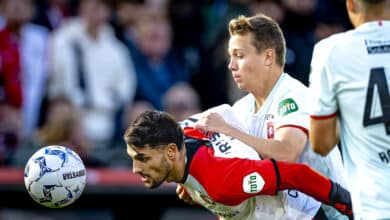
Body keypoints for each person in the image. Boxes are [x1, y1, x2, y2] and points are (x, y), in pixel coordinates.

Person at [191, 13, 348, 219]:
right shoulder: (241, 108)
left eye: (239, 55)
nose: (231, 65)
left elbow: (286, 153)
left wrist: (228, 130)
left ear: (268, 57)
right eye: (230, 56)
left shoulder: (292, 95)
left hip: (330, 214)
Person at [124, 110, 352, 220]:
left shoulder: (221, 182)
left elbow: (297, 174)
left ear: (172, 151)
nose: (135, 169)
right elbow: (224, 111)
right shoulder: (181, 130)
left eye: (143, 158)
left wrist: (348, 204)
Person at [308, 0, 390, 219]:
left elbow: (321, 143)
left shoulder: (330, 51)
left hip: (376, 205)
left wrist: (349, 114)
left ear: (351, 4)